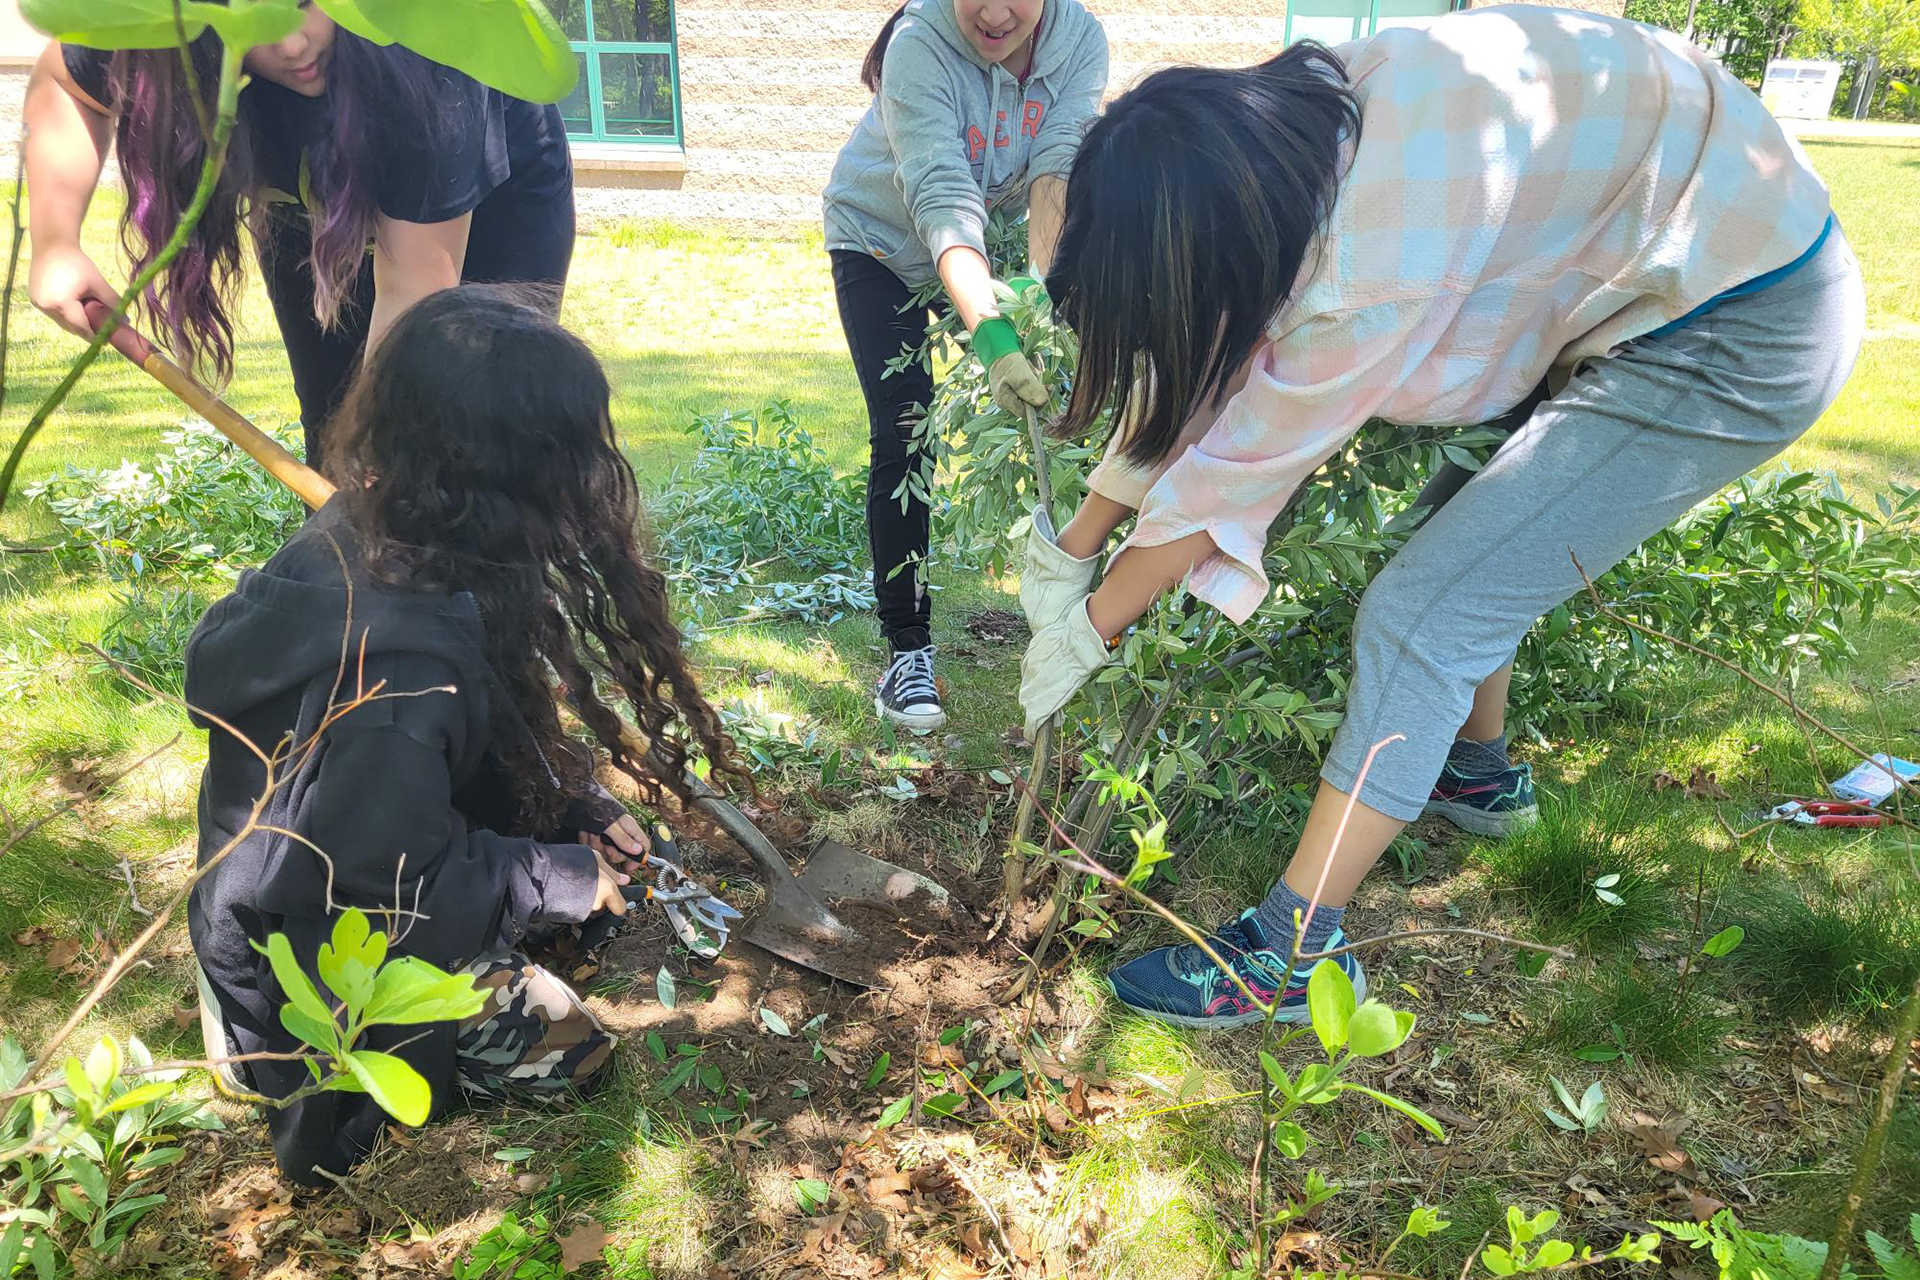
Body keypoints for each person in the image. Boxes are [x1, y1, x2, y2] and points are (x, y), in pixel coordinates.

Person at [1016, 6, 1862, 1028]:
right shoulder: (1300, 123)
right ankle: (1478, 776)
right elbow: (1204, 385)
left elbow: (1229, 469)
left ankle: (1292, 949)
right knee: (1468, 542)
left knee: (1424, 614)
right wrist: (1072, 547)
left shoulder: (1371, 262)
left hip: (1741, 323)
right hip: (1651, 250)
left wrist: (1088, 631)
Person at [184, 286, 746, 1184]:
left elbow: (488, 735)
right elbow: (387, 886)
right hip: (309, 954)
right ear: (507, 476)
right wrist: (557, 876)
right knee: (569, 1047)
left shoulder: (398, 532)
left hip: (362, 853)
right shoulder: (397, 678)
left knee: (607, 883)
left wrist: (574, 808)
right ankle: (257, 1045)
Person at [23, 3, 575, 469]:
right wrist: (55, 247)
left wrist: (378, 443)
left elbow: (415, 285)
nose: (290, 44)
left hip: (486, 197)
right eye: (260, 14)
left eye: (305, 1)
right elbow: (66, 82)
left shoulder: (424, 55)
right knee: (334, 422)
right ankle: (341, 583)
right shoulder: (170, 17)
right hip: (309, 211)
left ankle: (505, 584)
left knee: (487, 417)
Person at [822, 0, 1108, 732]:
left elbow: (1054, 176)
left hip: (986, 241)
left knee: (1073, 395)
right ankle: (907, 650)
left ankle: (1080, 613)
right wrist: (991, 340)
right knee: (907, 429)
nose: (994, 11)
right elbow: (942, 197)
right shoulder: (918, 47)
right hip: (881, 244)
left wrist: (1045, 314)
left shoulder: (1078, 42)